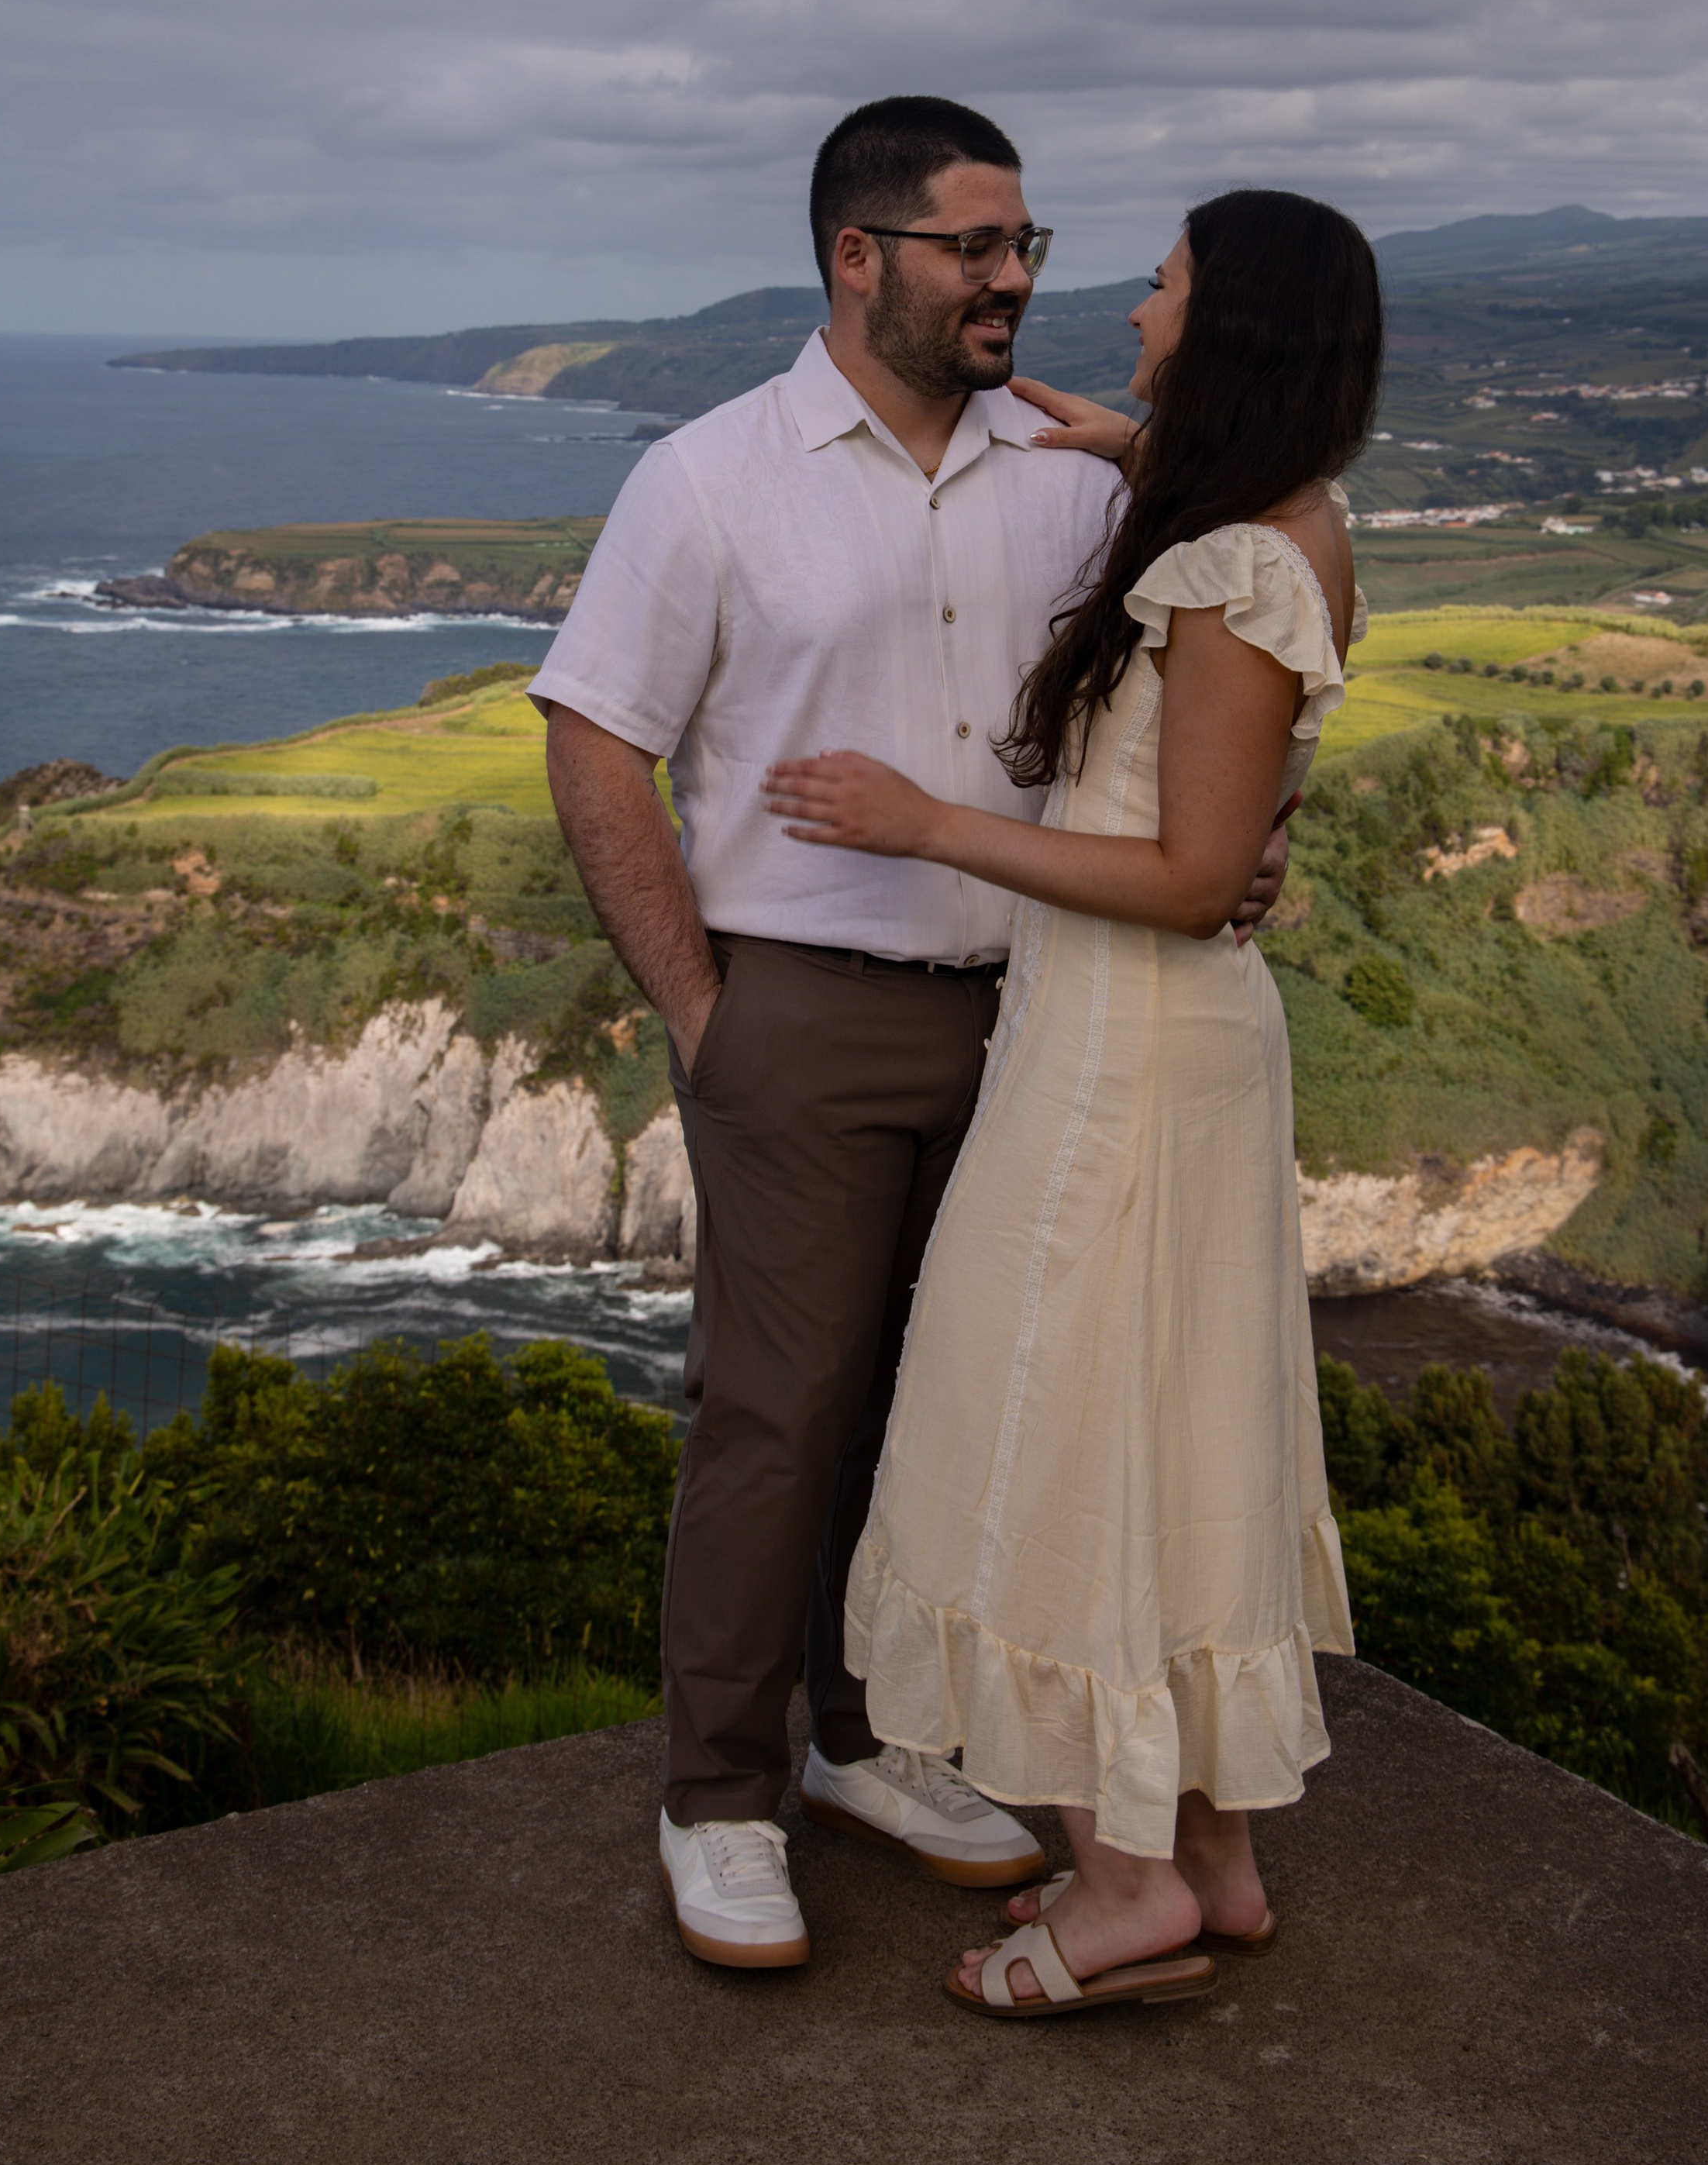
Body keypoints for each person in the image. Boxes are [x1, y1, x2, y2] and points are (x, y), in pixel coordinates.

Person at [531, 99, 1293, 1972]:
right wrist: (704, 1013)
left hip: (1044, 1019)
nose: (1017, 279)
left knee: (947, 1412)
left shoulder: (1080, 477)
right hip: (798, 1009)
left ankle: (871, 1742)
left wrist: (1245, 848)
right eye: (978, 246)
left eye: (1028, 244)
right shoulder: (706, 478)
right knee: (776, 1414)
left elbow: (1235, 654)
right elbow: (593, 734)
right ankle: (719, 1794)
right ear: (856, 257)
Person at [759, 185, 1379, 2019]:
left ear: (1234, 323)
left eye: (1165, 288)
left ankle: (1119, 1889)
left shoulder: (1225, 573)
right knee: (1178, 1432)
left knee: (1069, 1430)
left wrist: (929, 822)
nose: (1126, 316)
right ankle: (1212, 1860)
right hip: (1162, 1045)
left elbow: (1190, 873)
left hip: (1124, 1046)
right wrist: (1103, 438)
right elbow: (1221, 823)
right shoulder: (1293, 528)